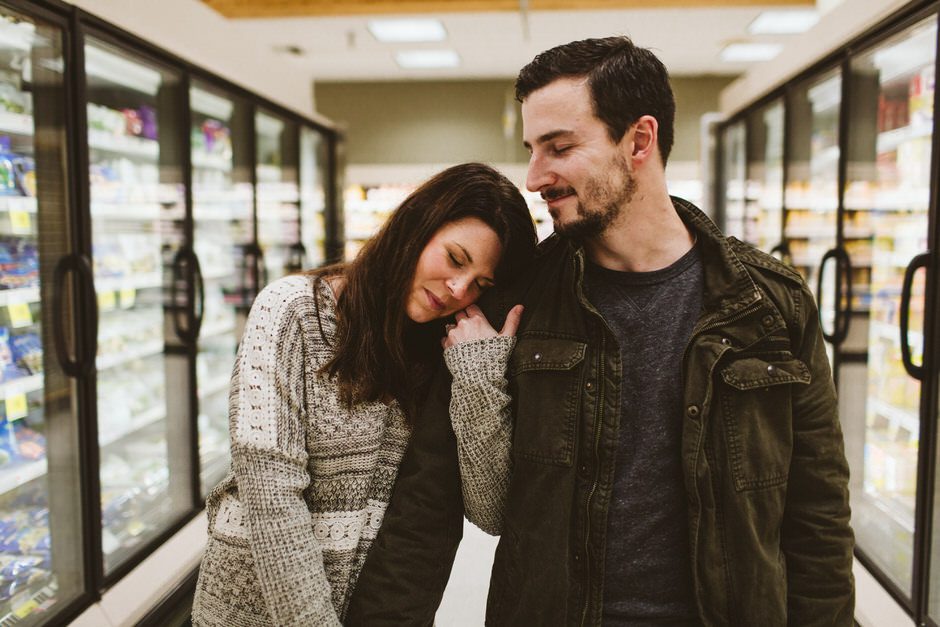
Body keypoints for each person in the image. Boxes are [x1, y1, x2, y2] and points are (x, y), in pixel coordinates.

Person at [346, 36, 855, 626]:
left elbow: (816, 513)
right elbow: (425, 507)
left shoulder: (769, 305)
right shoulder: (515, 303)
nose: (535, 176)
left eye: (559, 148)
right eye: (533, 149)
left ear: (639, 139)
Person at [190, 162, 537, 626]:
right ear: (416, 226)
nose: (458, 289)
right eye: (455, 259)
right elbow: (271, 493)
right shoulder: (292, 311)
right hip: (249, 610)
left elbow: (490, 509)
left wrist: (479, 375)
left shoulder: (447, 353)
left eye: (480, 284)